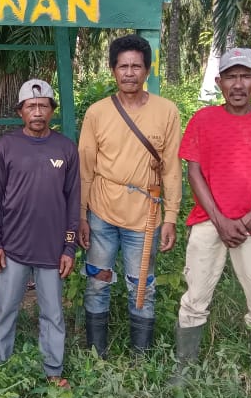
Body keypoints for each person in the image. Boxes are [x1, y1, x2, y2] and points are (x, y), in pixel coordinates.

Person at [171, 48, 251, 389]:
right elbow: (194, 173)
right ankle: (184, 371)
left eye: (245, 76)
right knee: (194, 298)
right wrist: (221, 220)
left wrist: (247, 218)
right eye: (230, 76)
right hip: (209, 221)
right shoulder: (203, 120)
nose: (238, 84)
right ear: (219, 81)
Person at [77, 34, 181, 358]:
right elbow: (85, 167)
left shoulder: (166, 112)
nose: (129, 73)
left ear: (147, 70)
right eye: (123, 66)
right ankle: (97, 354)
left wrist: (171, 217)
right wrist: (81, 215)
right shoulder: (97, 113)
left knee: (142, 287)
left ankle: (142, 358)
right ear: (113, 70)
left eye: (136, 66)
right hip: (102, 213)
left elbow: (172, 168)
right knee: (97, 281)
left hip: (144, 216)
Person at [0, 80, 80, 386]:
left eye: (43, 106)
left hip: (52, 250)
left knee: (53, 314)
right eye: (30, 106)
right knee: (5, 310)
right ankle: (0, 367)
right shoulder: (6, 147)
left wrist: (69, 247)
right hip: (12, 246)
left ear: (52, 110)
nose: (37, 112)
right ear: (20, 112)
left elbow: (73, 200)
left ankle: (53, 369)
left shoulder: (65, 148)